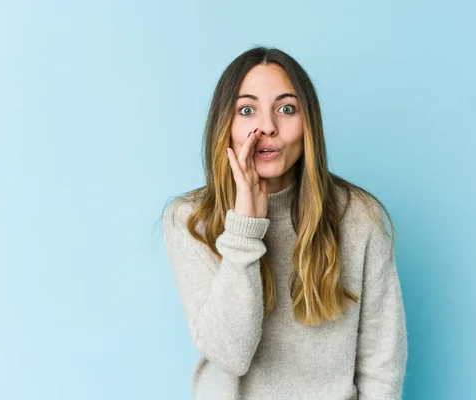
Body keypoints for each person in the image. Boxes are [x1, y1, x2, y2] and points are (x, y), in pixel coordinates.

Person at [162, 46, 407, 400]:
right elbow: (230, 353)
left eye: (286, 109)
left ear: (309, 124)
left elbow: (381, 363)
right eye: (247, 110)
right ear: (225, 126)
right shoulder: (190, 220)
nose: (267, 127)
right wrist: (245, 226)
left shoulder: (359, 216)